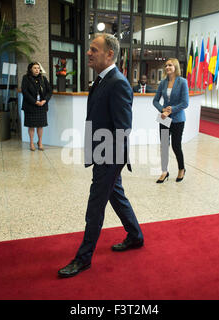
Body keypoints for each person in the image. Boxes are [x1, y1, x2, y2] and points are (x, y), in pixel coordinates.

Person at [58, 33, 144, 278]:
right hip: (102, 151)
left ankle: (83, 258)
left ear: (109, 54)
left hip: (110, 155)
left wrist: (111, 162)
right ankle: (136, 236)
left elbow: (123, 127)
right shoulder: (101, 80)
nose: (88, 53)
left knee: (95, 205)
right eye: (89, 49)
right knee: (116, 196)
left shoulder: (118, 83)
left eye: (94, 49)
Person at [152, 58, 189, 183]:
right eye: (166, 65)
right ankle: (164, 171)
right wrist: (163, 110)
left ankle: (181, 169)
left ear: (176, 67)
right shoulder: (163, 83)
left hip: (178, 119)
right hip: (164, 118)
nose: (167, 67)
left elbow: (185, 103)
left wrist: (171, 110)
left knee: (176, 145)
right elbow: (155, 101)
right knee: (163, 145)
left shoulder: (182, 82)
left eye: (170, 65)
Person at [21, 62, 52, 151]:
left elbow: (49, 91)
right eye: (35, 68)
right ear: (30, 69)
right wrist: (35, 102)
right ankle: (31, 143)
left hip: (41, 105)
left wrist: (44, 100)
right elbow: (25, 92)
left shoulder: (43, 78)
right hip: (30, 106)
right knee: (31, 126)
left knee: (40, 126)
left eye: (38, 68)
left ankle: (40, 142)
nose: (37, 70)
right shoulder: (26, 78)